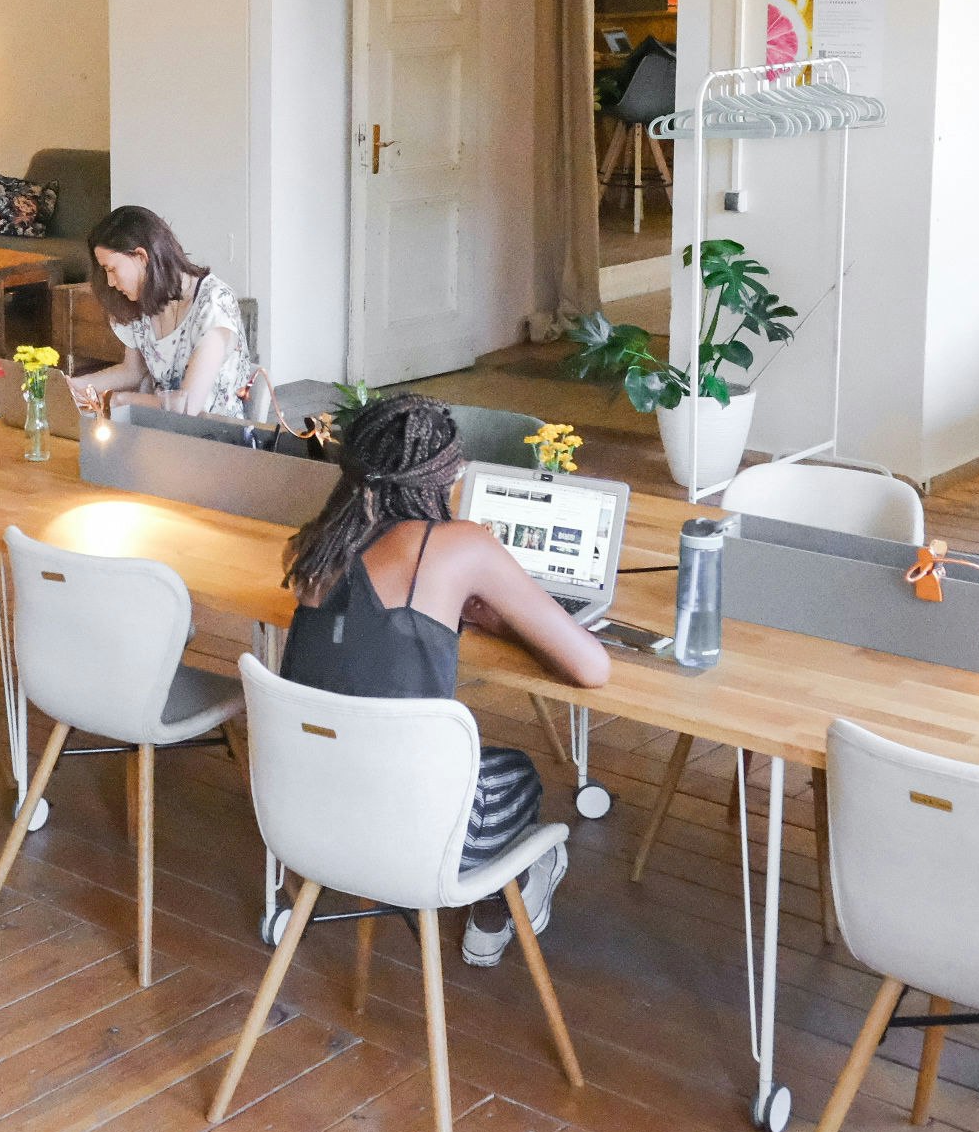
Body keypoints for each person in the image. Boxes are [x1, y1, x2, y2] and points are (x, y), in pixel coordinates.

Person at [279, 393, 612, 968]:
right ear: (447, 475)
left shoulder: (312, 545)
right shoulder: (460, 546)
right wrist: (506, 625)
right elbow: (592, 667)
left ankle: (494, 909)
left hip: (304, 815)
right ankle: (497, 910)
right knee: (521, 774)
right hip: (416, 838)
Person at [68, 205, 257, 421]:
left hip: (216, 441)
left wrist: (121, 400)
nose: (110, 282)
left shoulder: (214, 303)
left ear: (141, 256)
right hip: (161, 433)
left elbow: (188, 407)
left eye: (111, 269)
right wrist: (75, 386)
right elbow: (132, 371)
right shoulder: (139, 302)